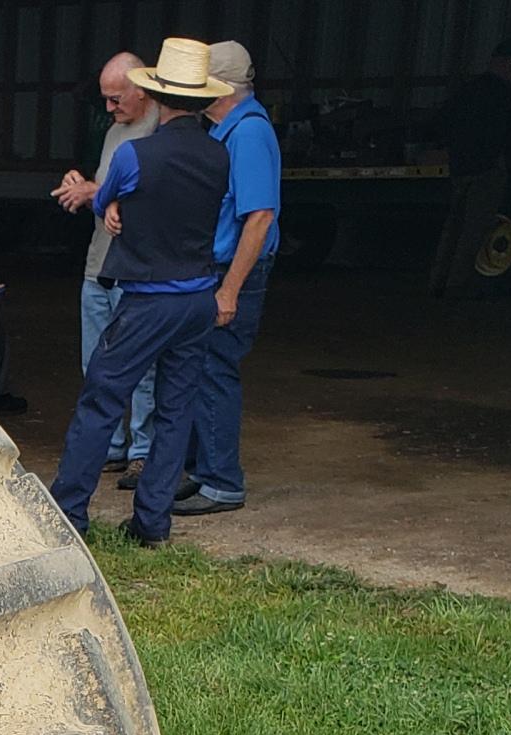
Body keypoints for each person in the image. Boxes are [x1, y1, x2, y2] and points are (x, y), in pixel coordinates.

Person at [48, 38, 232, 547]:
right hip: (198, 297)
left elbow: (104, 196)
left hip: (148, 296)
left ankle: (69, 513)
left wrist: (113, 204)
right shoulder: (219, 156)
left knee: (101, 400)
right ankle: (152, 522)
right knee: (175, 410)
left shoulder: (134, 154)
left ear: (157, 94)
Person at [175, 39, 281, 519]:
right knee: (201, 369)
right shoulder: (226, 130)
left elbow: (258, 216)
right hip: (217, 266)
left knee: (217, 369)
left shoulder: (249, 134)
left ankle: (222, 483)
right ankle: (204, 471)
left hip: (233, 270)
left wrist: (230, 289)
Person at [54, 53, 158, 481]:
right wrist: (85, 188)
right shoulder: (115, 131)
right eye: (106, 100)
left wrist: (97, 192)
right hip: (99, 263)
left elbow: (152, 198)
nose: (110, 109)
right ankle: (112, 445)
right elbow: (107, 192)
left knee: (141, 366)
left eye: (117, 100)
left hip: (135, 267)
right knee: (94, 362)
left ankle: (143, 450)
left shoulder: (159, 133)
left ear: (143, 91)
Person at [429, 40, 511, 297]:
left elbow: (441, 121)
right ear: (509, 64)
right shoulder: (505, 95)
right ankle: (457, 284)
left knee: (454, 226)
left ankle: (438, 280)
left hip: (461, 167)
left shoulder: (467, 90)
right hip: (487, 168)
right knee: (473, 229)